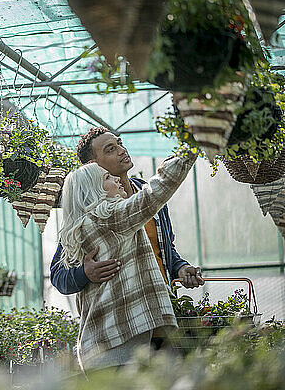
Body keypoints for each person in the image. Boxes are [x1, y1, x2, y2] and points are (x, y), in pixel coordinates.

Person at [58, 148, 197, 370]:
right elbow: (154, 194)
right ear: (93, 190)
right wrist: (189, 149)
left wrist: (178, 266)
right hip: (119, 347)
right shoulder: (108, 217)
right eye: (106, 177)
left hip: (101, 347)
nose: (115, 179)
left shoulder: (81, 226)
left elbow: (164, 248)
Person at [50, 128, 204, 293]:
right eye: (111, 149)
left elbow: (165, 248)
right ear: (91, 165)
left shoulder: (146, 192)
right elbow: (59, 276)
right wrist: (84, 273)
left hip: (162, 301)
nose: (122, 150)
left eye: (120, 144)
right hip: (121, 311)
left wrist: (181, 268)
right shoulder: (89, 211)